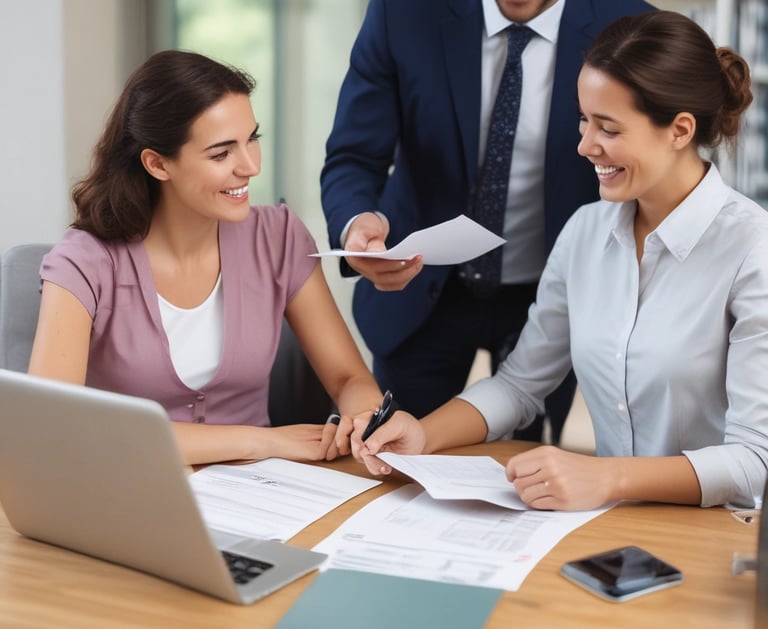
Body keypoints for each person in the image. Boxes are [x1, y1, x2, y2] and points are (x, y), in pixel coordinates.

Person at [348, 10, 768, 511]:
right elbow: (521, 384)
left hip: (717, 533)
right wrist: (422, 434)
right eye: (584, 120)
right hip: (604, 522)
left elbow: (753, 461)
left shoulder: (751, 249)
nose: (585, 145)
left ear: (680, 130)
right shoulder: (585, 233)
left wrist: (607, 476)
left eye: (608, 129)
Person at [27, 50, 383, 466]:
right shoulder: (85, 261)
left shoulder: (278, 236)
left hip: (267, 495)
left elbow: (348, 378)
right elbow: (53, 425)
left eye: (252, 138)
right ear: (157, 163)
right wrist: (257, 442)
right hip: (130, 492)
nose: (249, 166)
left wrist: (363, 417)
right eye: (221, 153)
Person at [321, 0, 654, 444]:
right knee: (392, 453)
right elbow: (355, 156)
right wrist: (358, 223)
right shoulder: (403, 12)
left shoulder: (632, 27)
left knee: (522, 472)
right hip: (421, 291)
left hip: (551, 297)